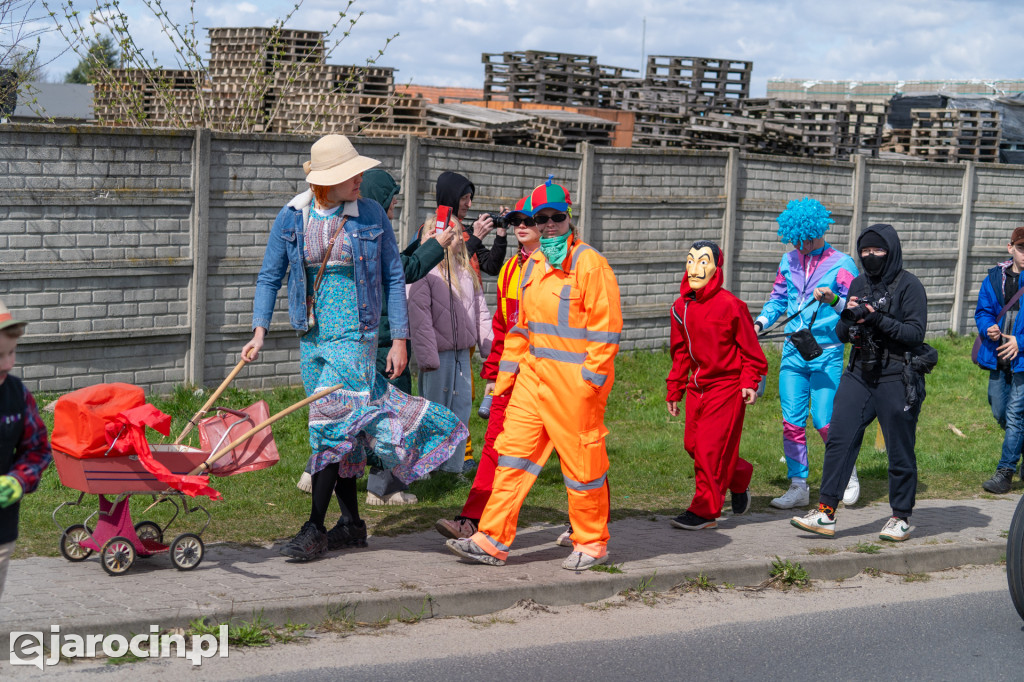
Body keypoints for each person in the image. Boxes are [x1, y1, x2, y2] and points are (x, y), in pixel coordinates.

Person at [243, 135, 468, 561]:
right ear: (328, 180)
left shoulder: (370, 215)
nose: (361, 179)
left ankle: (314, 527)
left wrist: (399, 339)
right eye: (352, 174)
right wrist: (259, 331)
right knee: (345, 431)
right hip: (312, 339)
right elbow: (269, 276)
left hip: (356, 338)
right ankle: (351, 523)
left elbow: (394, 276)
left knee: (327, 426)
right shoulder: (292, 217)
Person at [445, 177, 622, 571]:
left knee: (581, 468)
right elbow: (521, 331)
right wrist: (504, 380)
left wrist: (590, 384)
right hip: (531, 383)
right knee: (512, 458)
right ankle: (491, 540)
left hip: (574, 388)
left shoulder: (591, 265)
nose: (549, 225)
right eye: (541, 219)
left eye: (556, 217)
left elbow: (606, 332)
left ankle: (592, 542)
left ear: (569, 218)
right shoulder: (533, 266)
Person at [293, 169, 459, 505]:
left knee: (341, 409)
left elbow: (397, 261)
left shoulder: (352, 226)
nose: (394, 209)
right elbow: (402, 271)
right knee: (384, 413)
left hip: (358, 337)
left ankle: (322, 478)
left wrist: (425, 245)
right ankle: (383, 489)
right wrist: (436, 246)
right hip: (376, 338)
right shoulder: (362, 228)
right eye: (392, 202)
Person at [434, 195, 564, 543]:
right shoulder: (509, 270)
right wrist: (493, 374)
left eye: (529, 220)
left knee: (573, 450)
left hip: (557, 378)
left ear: (547, 224)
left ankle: (587, 524)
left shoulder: (562, 268)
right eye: (515, 221)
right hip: (513, 377)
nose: (521, 226)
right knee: (494, 444)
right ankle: (473, 520)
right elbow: (504, 328)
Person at [792, 223, 928, 542]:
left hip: (897, 374)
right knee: (840, 439)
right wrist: (848, 312)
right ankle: (826, 512)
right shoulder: (859, 282)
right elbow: (843, 332)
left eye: (877, 250)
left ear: (891, 251)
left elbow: (914, 333)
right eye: (865, 250)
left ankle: (900, 516)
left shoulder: (910, 286)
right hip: (859, 373)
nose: (870, 256)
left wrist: (876, 318)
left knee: (899, 448)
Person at [752, 198, 860, 509]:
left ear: (819, 231)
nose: (802, 246)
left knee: (825, 420)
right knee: (792, 422)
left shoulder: (843, 264)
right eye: (797, 240)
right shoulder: (788, 261)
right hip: (792, 351)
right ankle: (798, 485)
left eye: (807, 239)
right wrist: (759, 324)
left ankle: (847, 473)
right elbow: (777, 300)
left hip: (827, 353)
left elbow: (853, 310)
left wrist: (833, 300)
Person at [666, 241, 768, 530]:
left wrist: (749, 381)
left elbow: (751, 352)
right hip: (697, 388)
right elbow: (681, 352)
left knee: (710, 451)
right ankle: (739, 473)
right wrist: (675, 388)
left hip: (728, 387)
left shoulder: (732, 306)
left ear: (716, 268)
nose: (695, 268)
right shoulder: (680, 307)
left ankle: (705, 511)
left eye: (703, 261)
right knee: (693, 445)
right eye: (690, 261)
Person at [406, 208, 494, 475]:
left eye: (459, 234)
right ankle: (428, 466)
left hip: (461, 354)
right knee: (435, 410)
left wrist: (489, 350)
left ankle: (453, 468)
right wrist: (428, 358)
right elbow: (419, 318)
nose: (457, 238)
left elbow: (481, 312)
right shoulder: (424, 272)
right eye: (451, 233)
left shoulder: (466, 272)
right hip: (438, 356)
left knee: (461, 408)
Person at [0, 300, 52, 601]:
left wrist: (19, 480)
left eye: (12, 352)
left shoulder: (17, 394)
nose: (8, 364)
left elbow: (37, 449)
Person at [975, 226, 1024, 495]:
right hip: (998, 356)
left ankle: (1005, 472)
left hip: (1022, 359)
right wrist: (988, 328)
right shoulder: (995, 277)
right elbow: (983, 311)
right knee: (999, 410)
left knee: (1016, 414)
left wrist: (1020, 342)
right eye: (1021, 248)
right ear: (1010, 248)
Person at [435, 171, 508, 277]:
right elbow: (446, 268)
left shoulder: (466, 231)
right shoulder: (430, 231)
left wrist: (501, 233)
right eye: (464, 198)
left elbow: (492, 268)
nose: (469, 204)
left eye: (470, 198)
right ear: (451, 199)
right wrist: (476, 238)